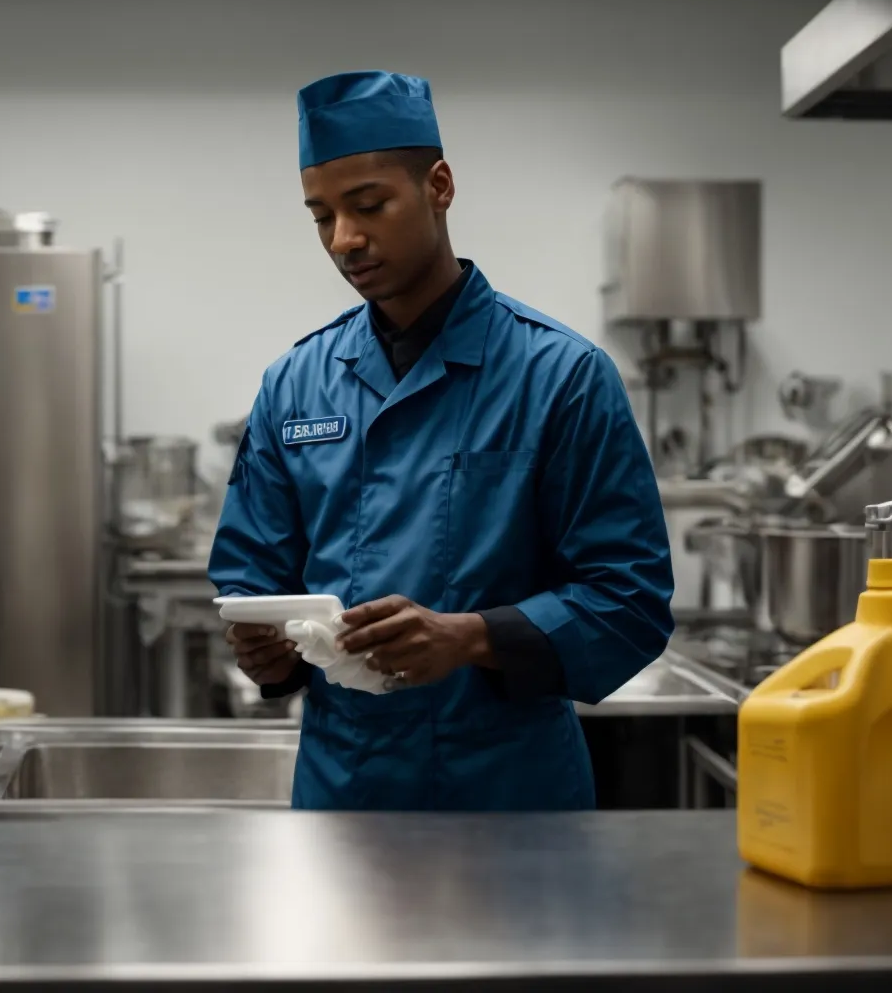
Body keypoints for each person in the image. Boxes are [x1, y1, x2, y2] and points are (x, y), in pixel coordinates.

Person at [210, 70, 674, 811]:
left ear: (439, 185)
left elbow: (628, 602)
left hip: (510, 798)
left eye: (369, 206)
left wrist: (469, 638)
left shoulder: (562, 376)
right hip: (344, 796)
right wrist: (266, 651)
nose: (345, 239)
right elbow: (252, 581)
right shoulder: (294, 384)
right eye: (321, 216)